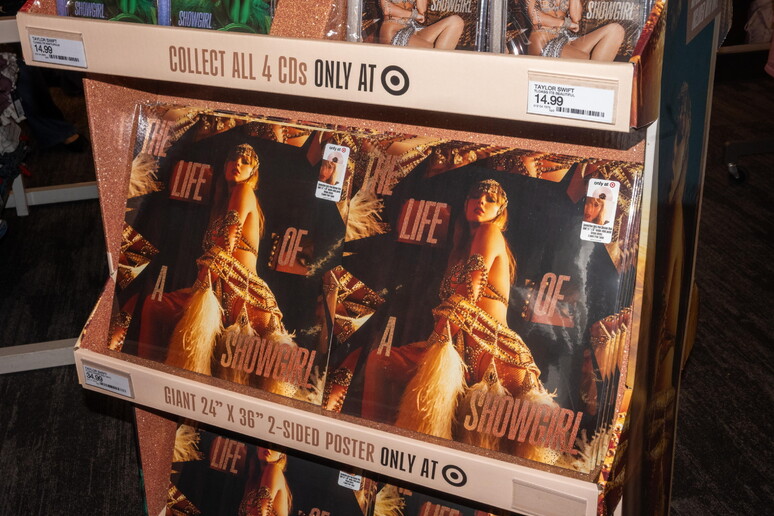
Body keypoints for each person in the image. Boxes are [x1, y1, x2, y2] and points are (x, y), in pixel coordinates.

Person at [363, 179, 556, 461]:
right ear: (465, 204)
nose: (481, 201)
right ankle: (378, 452)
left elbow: (469, 291)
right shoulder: (460, 248)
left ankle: (374, 450)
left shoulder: (489, 231)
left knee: (380, 363)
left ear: (500, 210)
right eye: (475, 196)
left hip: (491, 348)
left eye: (490, 199)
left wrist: (439, 339)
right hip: (463, 345)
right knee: (380, 363)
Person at [138, 143, 290, 384]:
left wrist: (201, 286)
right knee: (154, 307)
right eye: (233, 158)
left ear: (253, 172)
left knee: (154, 307)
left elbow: (226, 244)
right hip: (222, 287)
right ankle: (152, 379)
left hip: (240, 290)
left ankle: (147, 379)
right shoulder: (223, 203)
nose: (237, 163)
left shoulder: (243, 190)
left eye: (245, 161)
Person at [525, 0, 624, 60]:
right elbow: (535, 18)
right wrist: (565, 23)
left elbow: (576, 17)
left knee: (615, 30)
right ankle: (594, 78)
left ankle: (596, 81)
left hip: (565, 38)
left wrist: (568, 24)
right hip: (543, 41)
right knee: (583, 59)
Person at [378, 0, 464, 49]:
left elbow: (422, 10)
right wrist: (414, 15)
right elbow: (387, 9)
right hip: (394, 31)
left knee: (456, 22)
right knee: (433, 51)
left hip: (412, 29)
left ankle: (439, 68)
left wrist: (417, 14)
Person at [239, 447, 292, 516]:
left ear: (281, 454)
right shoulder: (253, 480)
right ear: (258, 447)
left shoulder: (273, 469)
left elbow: (260, 513)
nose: (269, 447)